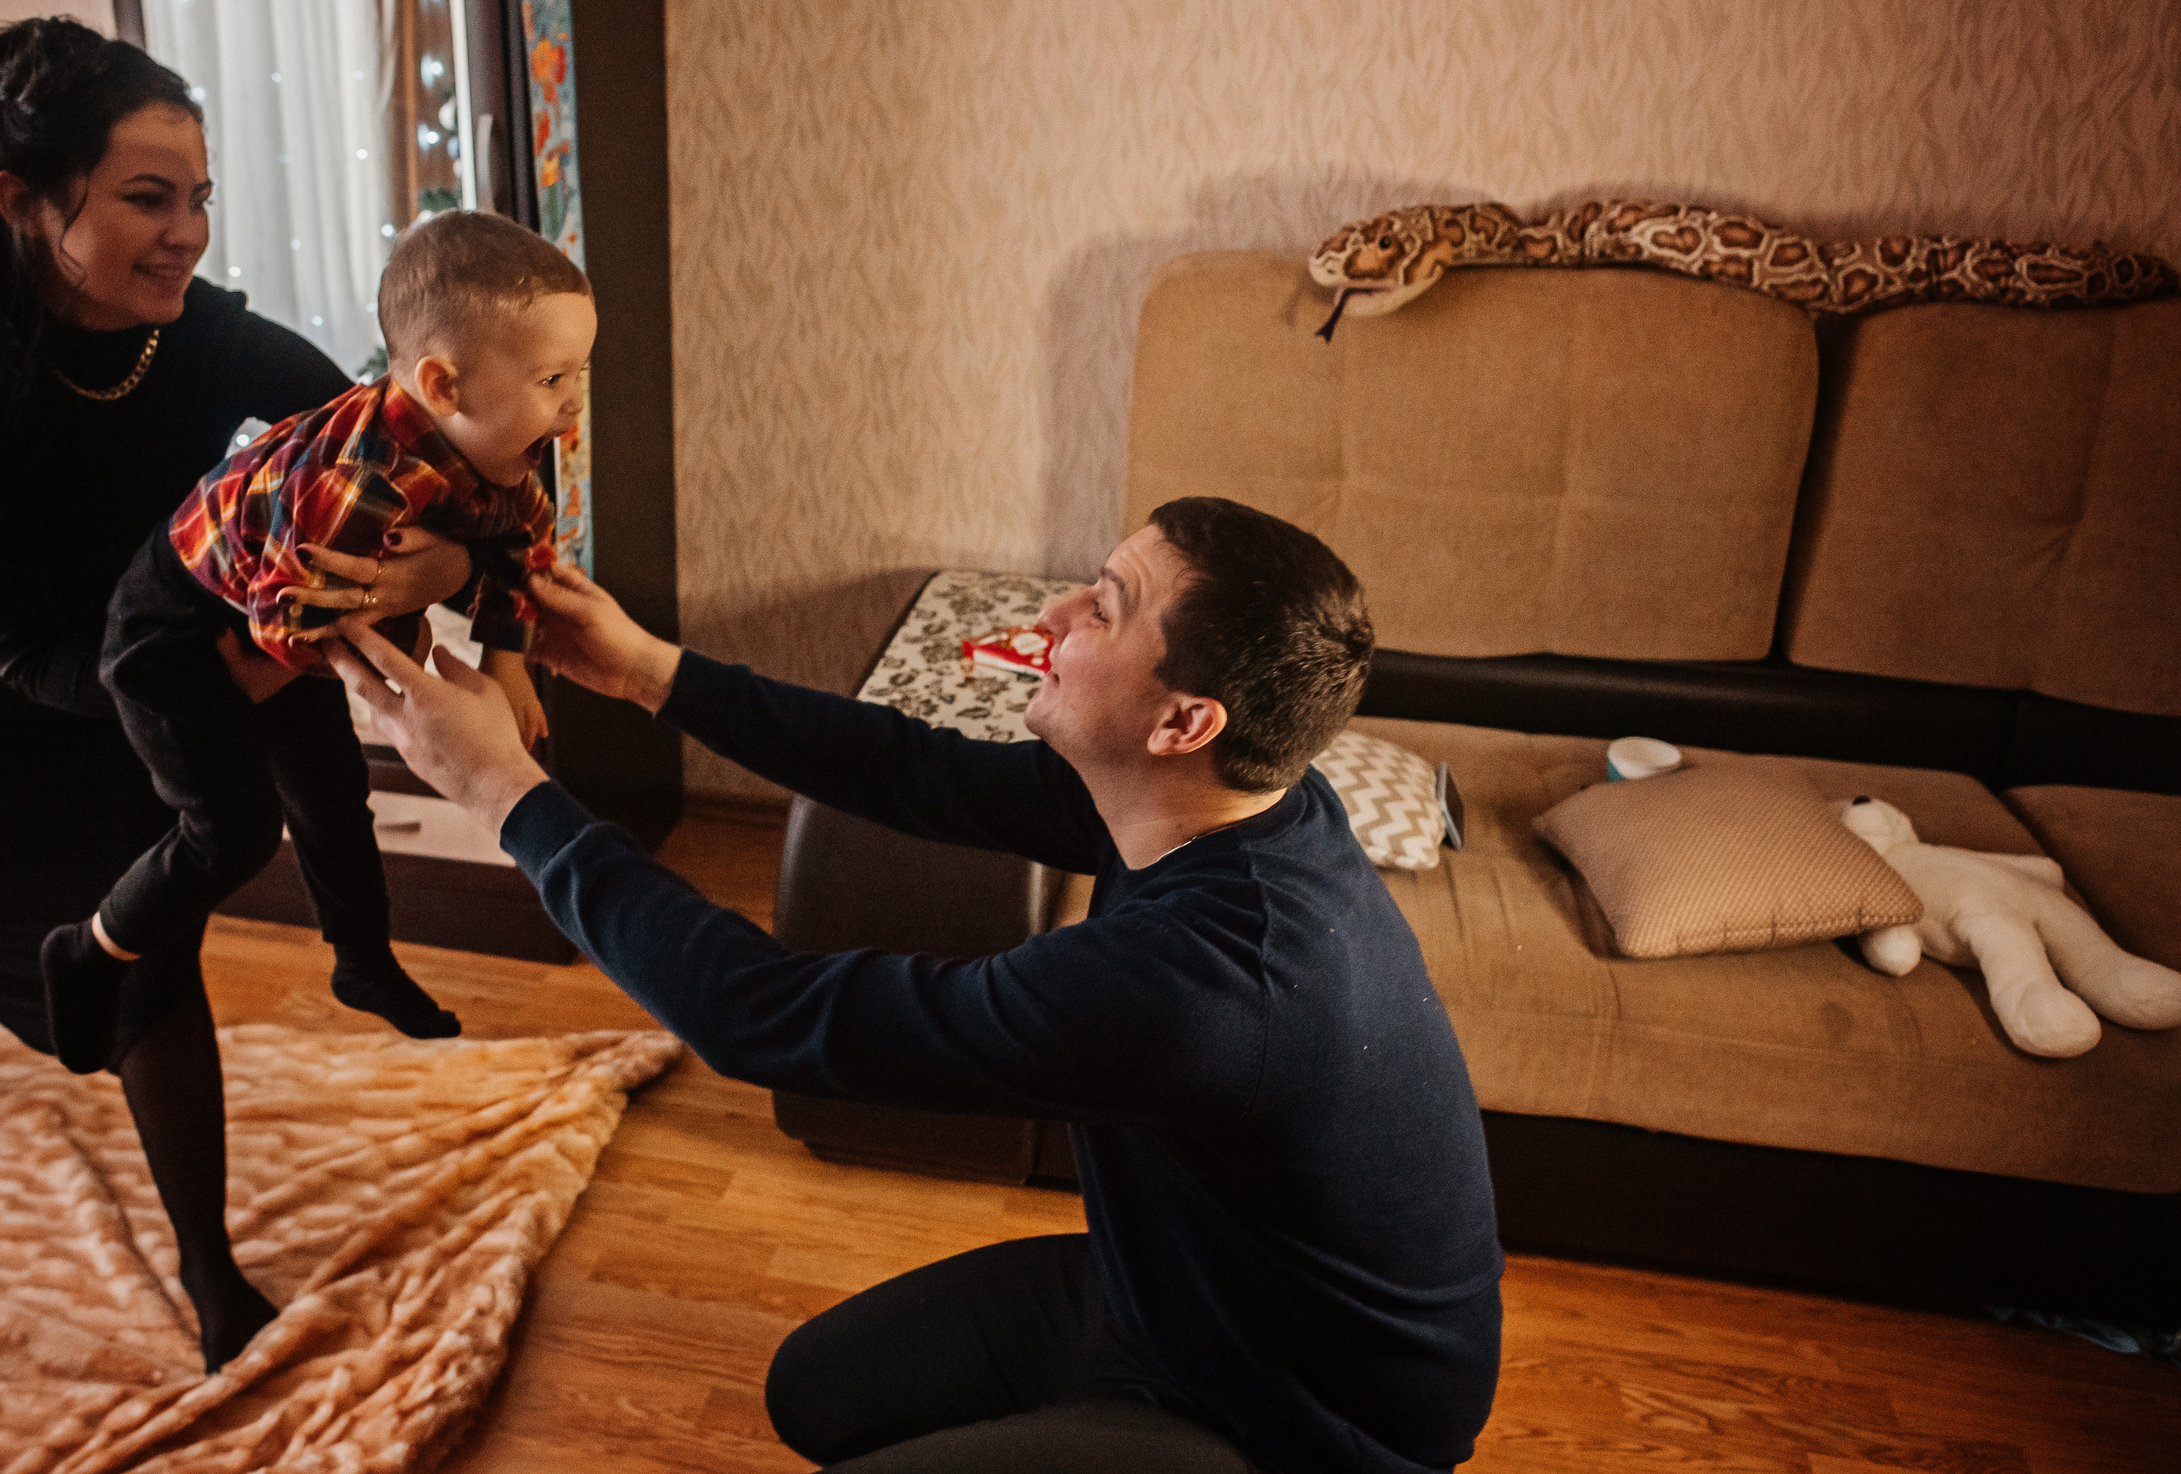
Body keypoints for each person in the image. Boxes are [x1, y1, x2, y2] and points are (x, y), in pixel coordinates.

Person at [328, 497, 1506, 1472]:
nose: (1053, 614)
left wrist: (502, 794)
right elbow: (916, 771)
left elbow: (766, 1017)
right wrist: (653, 674)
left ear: (1184, 718)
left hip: (1307, 1415)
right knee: (817, 1395)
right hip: (1186, 1289)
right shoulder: (1239, 798)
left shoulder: (1203, 982)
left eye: (1102, 606)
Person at [0, 16, 476, 1371]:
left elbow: (382, 439)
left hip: (132, 668)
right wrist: (278, 650)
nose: (187, 232)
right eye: (147, 198)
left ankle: (208, 1269)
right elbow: (36, 661)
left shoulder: (200, 340)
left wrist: (440, 552)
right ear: (24, 203)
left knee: (149, 960)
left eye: (198, 196)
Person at [38, 211, 590, 1073]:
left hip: (269, 617)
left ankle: (363, 964)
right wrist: (277, 694)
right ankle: (92, 946)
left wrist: (506, 663)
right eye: (553, 376)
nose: (574, 400)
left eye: (580, 370)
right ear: (445, 386)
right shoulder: (360, 485)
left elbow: (523, 546)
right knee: (236, 830)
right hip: (175, 631)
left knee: (334, 797)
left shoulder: (493, 461)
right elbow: (290, 623)